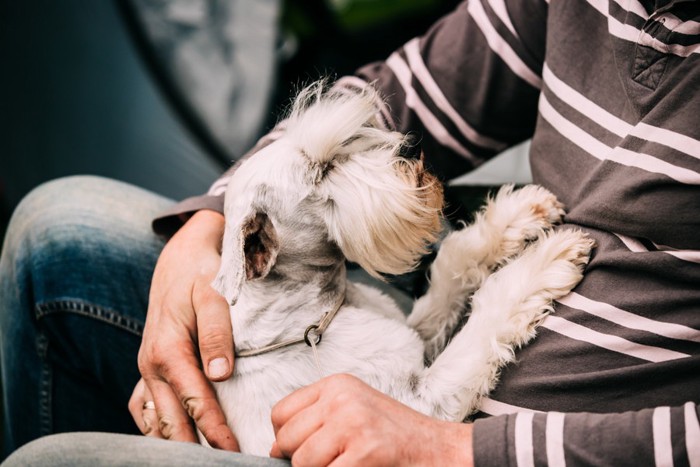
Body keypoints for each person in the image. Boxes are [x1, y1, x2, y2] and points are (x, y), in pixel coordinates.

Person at [2, 0, 699, 465]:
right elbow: (399, 95)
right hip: (424, 358)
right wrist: (211, 219)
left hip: (502, 439)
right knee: (56, 234)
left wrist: (452, 449)